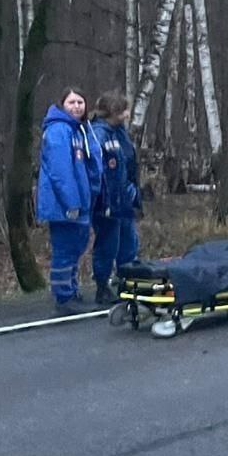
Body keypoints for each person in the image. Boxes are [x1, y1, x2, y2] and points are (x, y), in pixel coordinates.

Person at [38, 87, 103, 310]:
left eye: (80, 102)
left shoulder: (80, 130)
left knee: (77, 246)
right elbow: (60, 171)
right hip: (63, 203)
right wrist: (71, 202)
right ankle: (63, 296)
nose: (77, 106)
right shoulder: (58, 131)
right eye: (71, 102)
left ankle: (72, 289)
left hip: (81, 201)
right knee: (65, 249)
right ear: (62, 105)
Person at [90, 92, 141, 306]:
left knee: (128, 241)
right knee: (108, 243)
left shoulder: (120, 133)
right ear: (114, 112)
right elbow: (101, 172)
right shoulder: (99, 135)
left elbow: (127, 163)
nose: (128, 114)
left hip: (124, 197)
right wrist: (106, 198)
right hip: (108, 200)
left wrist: (131, 191)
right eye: (124, 110)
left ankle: (126, 280)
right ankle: (102, 285)